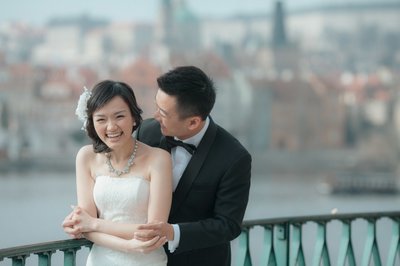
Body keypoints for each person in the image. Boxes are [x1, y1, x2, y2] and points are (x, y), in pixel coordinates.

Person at [134, 65, 252, 266]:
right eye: (156, 106)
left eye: (163, 112)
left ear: (193, 122)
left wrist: (173, 232)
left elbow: (228, 225)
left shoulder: (235, 157)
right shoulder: (146, 132)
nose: (154, 116)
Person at [62, 80, 172, 266]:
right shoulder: (86, 157)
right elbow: (84, 225)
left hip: (147, 260)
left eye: (119, 116)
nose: (111, 127)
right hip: (100, 260)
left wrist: (95, 224)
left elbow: (154, 230)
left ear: (134, 117)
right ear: (92, 122)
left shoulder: (158, 159)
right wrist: (129, 246)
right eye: (101, 119)